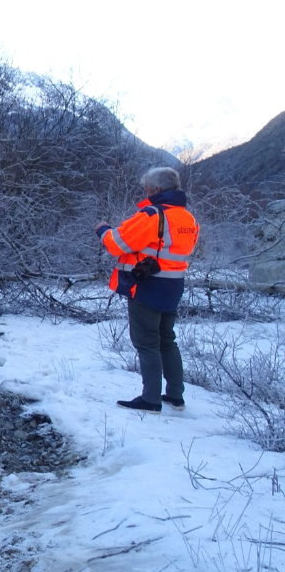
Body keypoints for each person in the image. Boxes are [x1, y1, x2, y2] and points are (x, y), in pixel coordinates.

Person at [96, 166, 200, 413]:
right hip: (174, 286)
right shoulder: (188, 218)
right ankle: (175, 395)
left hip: (148, 286)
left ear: (154, 189)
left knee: (146, 342)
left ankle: (151, 398)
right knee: (167, 340)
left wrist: (102, 230)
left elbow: (116, 243)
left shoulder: (152, 215)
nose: (145, 192)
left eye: (146, 188)